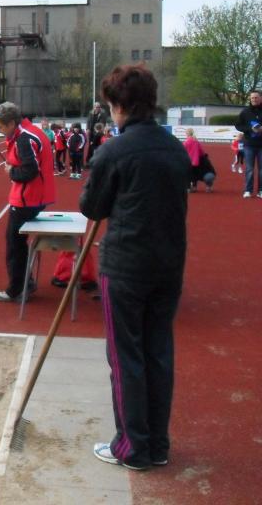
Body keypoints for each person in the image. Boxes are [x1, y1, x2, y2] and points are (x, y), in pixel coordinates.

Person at [80, 64, 190, 471]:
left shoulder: (115, 150)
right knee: (158, 352)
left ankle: (132, 446)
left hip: (126, 266)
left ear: (120, 105)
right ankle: (156, 444)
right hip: (168, 264)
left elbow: (92, 207)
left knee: (126, 356)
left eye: (111, 105)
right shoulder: (175, 148)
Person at [0, 102, 56, 302]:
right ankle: (26, 283)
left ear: (11, 123)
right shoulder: (29, 133)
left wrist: (12, 172)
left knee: (15, 245)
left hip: (28, 199)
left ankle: (17, 289)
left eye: (1, 127)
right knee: (17, 243)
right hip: (34, 196)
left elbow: (30, 171)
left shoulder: (24, 139)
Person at [235, 90, 262, 198]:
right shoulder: (245, 112)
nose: (254, 99)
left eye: (256, 97)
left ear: (260, 98)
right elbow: (238, 125)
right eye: (252, 98)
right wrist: (250, 129)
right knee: (249, 169)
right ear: (250, 99)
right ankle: (248, 190)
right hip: (249, 145)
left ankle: (261, 191)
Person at [183, 128, 216, 193]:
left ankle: (191, 187)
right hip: (199, 162)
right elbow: (202, 152)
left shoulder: (185, 143)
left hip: (189, 163)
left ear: (186, 134)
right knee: (206, 174)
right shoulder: (196, 142)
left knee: (189, 174)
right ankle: (208, 187)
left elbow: (183, 152)